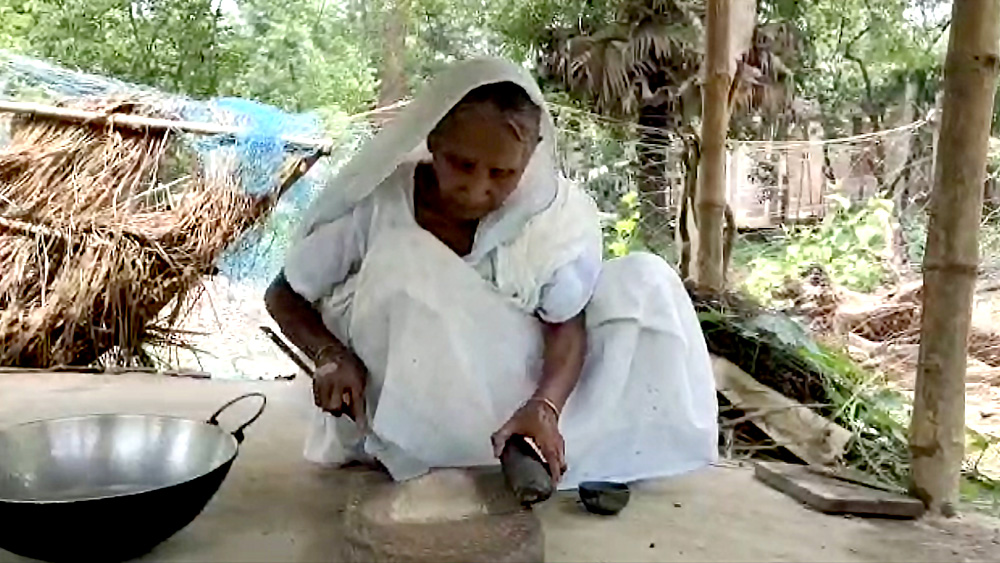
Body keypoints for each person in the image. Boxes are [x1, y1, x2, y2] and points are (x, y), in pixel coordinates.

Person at [265, 57, 717, 493]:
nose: (478, 188)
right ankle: (430, 446)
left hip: (517, 383)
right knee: (403, 267)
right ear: (434, 139)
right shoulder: (380, 202)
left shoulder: (551, 215)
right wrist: (330, 355)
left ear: (531, 154)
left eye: (502, 173)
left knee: (646, 280)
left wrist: (545, 406)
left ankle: (540, 439)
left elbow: (565, 321)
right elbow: (283, 293)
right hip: (414, 391)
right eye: (462, 164)